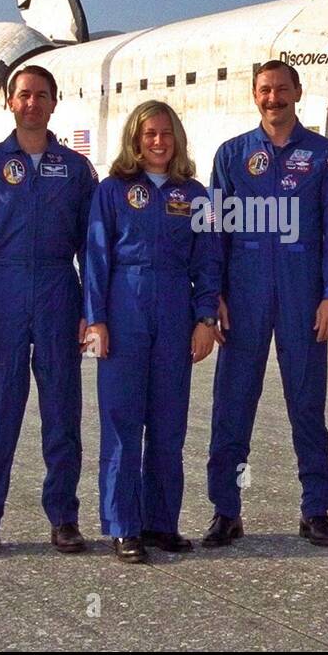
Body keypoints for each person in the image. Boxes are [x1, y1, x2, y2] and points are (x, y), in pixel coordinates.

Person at [203, 60, 328, 547]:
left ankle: (316, 509)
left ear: (298, 92)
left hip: (303, 292)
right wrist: (215, 294)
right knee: (233, 404)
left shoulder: (325, 155)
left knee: (307, 405)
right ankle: (226, 510)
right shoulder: (231, 155)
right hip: (243, 293)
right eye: (265, 91)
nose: (273, 98)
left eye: (282, 90)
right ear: (254, 95)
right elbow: (214, 231)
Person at [0, 64, 98, 557]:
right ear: (9, 103)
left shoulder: (77, 170)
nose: (32, 103)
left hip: (60, 289)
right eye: (24, 95)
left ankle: (63, 518)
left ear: (55, 103)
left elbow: (92, 247)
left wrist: (88, 308)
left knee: (62, 412)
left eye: (41, 95)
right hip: (4, 293)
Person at [84, 100, 221, 564]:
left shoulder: (197, 195)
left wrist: (205, 319)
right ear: (136, 140)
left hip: (175, 306)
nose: (159, 142)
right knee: (122, 421)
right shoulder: (112, 191)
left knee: (168, 423)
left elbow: (208, 262)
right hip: (124, 304)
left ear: (177, 139)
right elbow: (96, 258)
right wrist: (96, 319)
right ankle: (124, 526)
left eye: (166, 134)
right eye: (149, 134)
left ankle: (162, 522)